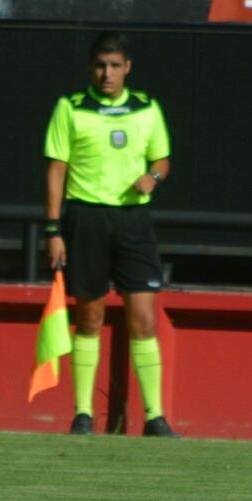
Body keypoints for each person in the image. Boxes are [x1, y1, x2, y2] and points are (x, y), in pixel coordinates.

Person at [42, 32, 178, 438]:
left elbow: (163, 159)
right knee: (89, 317)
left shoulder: (147, 108)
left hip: (134, 221)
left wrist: (153, 177)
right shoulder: (70, 108)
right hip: (86, 218)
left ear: (127, 68)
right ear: (91, 67)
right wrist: (53, 230)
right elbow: (56, 171)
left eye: (115, 65)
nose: (107, 73)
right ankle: (83, 415)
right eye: (101, 65)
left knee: (144, 319)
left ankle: (155, 417)